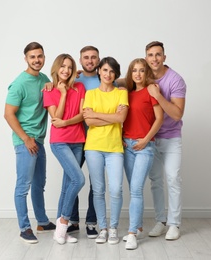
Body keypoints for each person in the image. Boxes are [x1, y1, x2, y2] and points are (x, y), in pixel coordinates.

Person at [4, 42, 55, 244]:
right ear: (26, 58)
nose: (37, 60)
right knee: (23, 185)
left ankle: (42, 221)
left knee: (39, 184)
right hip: (25, 141)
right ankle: (24, 228)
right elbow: (8, 114)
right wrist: (26, 139)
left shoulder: (44, 79)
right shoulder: (19, 83)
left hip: (39, 140)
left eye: (40, 56)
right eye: (32, 57)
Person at [83, 57, 128, 245]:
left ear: (115, 74)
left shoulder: (121, 93)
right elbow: (88, 121)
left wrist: (96, 114)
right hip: (93, 147)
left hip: (115, 147)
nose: (108, 74)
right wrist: (111, 117)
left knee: (116, 189)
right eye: (105, 70)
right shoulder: (91, 94)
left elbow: (121, 117)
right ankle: (102, 228)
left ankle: (113, 228)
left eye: (112, 71)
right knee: (99, 190)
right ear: (99, 71)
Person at [145, 41, 187, 240]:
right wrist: (82, 76)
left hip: (171, 138)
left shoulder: (175, 80)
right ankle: (161, 221)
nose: (154, 58)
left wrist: (158, 96)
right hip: (151, 138)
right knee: (155, 181)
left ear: (164, 57)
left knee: (172, 178)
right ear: (146, 58)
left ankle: (174, 224)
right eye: (151, 55)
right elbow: (121, 80)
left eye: (158, 54)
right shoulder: (142, 75)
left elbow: (177, 114)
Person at [43, 54, 86, 245]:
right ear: (56, 68)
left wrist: (68, 121)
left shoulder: (80, 87)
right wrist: (63, 94)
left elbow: (83, 115)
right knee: (79, 179)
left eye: (69, 67)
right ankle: (63, 222)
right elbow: (56, 119)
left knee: (67, 184)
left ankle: (60, 232)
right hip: (59, 142)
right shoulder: (49, 90)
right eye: (63, 67)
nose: (66, 70)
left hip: (78, 141)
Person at [121, 58, 164, 250]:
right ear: (130, 73)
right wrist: (122, 137)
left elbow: (159, 118)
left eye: (141, 70)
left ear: (146, 73)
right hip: (127, 145)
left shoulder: (152, 91)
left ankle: (131, 234)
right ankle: (138, 227)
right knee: (134, 188)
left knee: (137, 189)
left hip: (145, 146)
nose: (137, 74)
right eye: (134, 71)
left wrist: (146, 140)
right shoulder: (127, 94)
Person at [66, 46, 101, 238]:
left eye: (93, 57)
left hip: (98, 140)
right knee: (74, 179)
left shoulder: (104, 78)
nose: (90, 60)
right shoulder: (74, 80)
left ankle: (91, 222)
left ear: (98, 59)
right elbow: (56, 85)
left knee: (95, 183)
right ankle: (72, 220)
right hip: (76, 138)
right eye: (86, 58)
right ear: (80, 61)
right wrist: (47, 85)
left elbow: (123, 82)